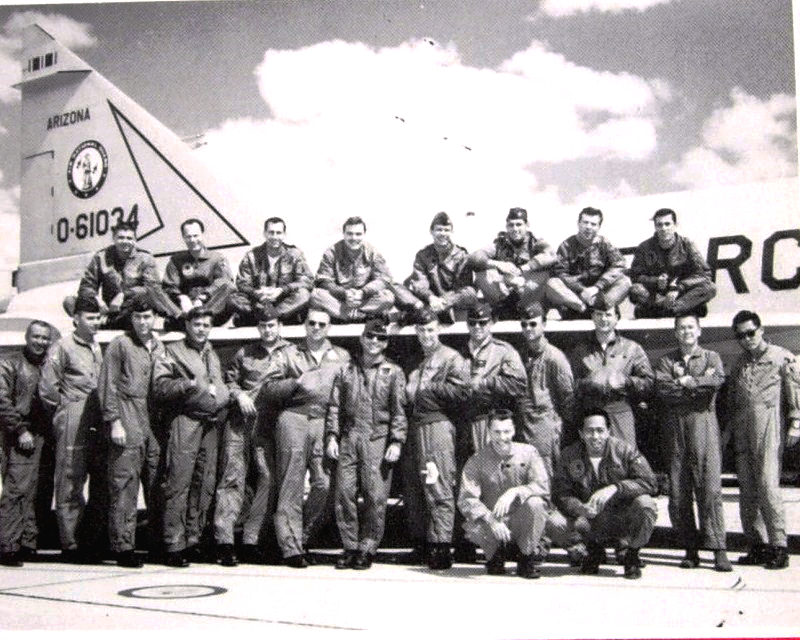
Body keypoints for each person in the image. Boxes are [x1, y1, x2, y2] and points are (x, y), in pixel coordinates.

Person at [262, 307, 350, 568]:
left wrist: (335, 431)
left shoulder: (341, 356)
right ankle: (290, 548)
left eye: (322, 324)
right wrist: (295, 382)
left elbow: (346, 394)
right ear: (305, 325)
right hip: (294, 417)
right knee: (291, 482)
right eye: (312, 323)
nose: (316, 328)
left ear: (329, 327)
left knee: (324, 484)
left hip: (324, 420)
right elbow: (268, 389)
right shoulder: (289, 354)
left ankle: (303, 536)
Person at [214, 302, 294, 567]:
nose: (267, 330)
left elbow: (300, 383)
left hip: (268, 424)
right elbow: (228, 380)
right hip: (240, 422)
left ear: (279, 326)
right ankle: (225, 541)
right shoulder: (245, 352)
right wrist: (239, 395)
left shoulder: (292, 353)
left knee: (266, 479)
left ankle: (251, 539)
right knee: (232, 477)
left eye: (271, 325)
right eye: (263, 326)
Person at [325, 319, 407, 570]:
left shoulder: (393, 372)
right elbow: (335, 407)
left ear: (386, 343)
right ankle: (350, 546)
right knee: (344, 493)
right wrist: (332, 435)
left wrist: (396, 441)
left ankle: (367, 547)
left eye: (380, 338)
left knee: (375, 495)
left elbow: (399, 410)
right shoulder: (346, 370)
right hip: (350, 436)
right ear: (362, 339)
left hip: (377, 437)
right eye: (370, 336)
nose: (374, 342)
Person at [152, 306, 230, 567]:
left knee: (203, 482)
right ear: (187, 325)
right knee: (179, 482)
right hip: (185, 420)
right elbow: (160, 386)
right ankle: (173, 544)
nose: (201, 329)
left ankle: (193, 540)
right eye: (197, 324)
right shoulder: (173, 351)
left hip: (209, 423)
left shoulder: (211, 352)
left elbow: (218, 383)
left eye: (206, 325)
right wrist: (187, 385)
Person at [654, 315, 731, 572]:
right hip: (675, 430)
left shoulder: (711, 357)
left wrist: (691, 382)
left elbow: (715, 383)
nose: (686, 331)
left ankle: (719, 548)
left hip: (703, 427)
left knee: (709, 489)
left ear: (699, 331)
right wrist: (691, 387)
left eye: (690, 327)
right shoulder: (667, 361)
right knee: (679, 492)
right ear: (676, 333)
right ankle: (690, 549)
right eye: (681, 328)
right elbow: (664, 390)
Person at [727, 310, 800, 570]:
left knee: (768, 486)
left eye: (751, 333)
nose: (747, 339)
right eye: (741, 336)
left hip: (768, 427)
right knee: (747, 490)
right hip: (742, 430)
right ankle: (756, 545)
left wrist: (796, 423)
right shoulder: (739, 363)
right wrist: (728, 433)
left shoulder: (781, 357)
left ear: (761, 330)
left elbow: (795, 391)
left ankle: (779, 546)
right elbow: (733, 400)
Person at [550, 410, 658, 579]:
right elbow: (560, 493)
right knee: (554, 521)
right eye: (589, 431)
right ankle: (591, 550)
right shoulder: (569, 455)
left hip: (621, 517)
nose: (595, 436)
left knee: (646, 504)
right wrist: (579, 508)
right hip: (589, 519)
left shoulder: (625, 451)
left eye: (600, 431)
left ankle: (632, 554)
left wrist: (616, 488)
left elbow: (650, 483)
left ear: (608, 431)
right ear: (581, 433)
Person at [97, 300, 165, 568]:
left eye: (147, 316)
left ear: (155, 317)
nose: (142, 322)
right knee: (125, 485)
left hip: (153, 421)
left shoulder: (159, 346)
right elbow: (108, 385)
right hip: (127, 416)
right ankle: (123, 547)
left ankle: (157, 544)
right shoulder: (120, 345)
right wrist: (114, 422)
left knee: (156, 483)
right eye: (138, 317)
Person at [403, 308, 470, 570]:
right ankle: (422, 543)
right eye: (421, 330)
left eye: (430, 329)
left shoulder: (450, 358)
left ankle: (442, 545)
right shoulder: (417, 361)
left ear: (438, 329)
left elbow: (463, 391)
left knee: (438, 483)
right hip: (416, 427)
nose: (426, 335)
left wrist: (430, 390)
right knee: (417, 488)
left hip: (437, 426)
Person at [39, 297, 104, 563]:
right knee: (70, 478)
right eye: (90, 318)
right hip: (73, 417)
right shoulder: (63, 347)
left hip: (95, 418)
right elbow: (48, 389)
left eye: (98, 317)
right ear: (76, 319)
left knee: (94, 478)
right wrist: (63, 413)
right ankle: (71, 543)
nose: (95, 322)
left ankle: (90, 540)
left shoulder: (96, 346)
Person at [457, 411, 550, 579]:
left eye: (506, 431)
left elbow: (542, 486)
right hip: (493, 522)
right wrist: (490, 519)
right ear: (489, 432)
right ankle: (494, 555)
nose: (502, 437)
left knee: (536, 504)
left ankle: (526, 557)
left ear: (514, 430)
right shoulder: (477, 460)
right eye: (497, 432)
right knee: (473, 524)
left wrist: (515, 491)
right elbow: (466, 499)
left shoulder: (529, 453)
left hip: (520, 520)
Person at [0, 320, 53, 567]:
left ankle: (28, 543)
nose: (40, 342)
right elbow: (2, 401)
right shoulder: (10, 363)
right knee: (17, 490)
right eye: (36, 336)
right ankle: (7, 546)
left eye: (45, 338)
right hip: (20, 434)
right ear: (27, 337)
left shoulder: (49, 364)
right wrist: (20, 430)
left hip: (45, 434)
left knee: (38, 490)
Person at [64, 221, 180, 329]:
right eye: (121, 238)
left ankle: (102, 323)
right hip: (108, 308)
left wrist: (123, 294)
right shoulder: (101, 257)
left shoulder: (145, 258)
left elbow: (152, 288)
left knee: (144, 299)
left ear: (135, 240)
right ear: (114, 239)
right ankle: (102, 320)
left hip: (132, 307)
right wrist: (96, 299)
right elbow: (86, 286)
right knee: (70, 301)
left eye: (129, 238)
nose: (125, 241)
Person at [569, 304, 653, 447]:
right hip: (591, 413)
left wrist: (626, 381)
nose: (603, 319)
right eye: (599, 314)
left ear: (617, 318)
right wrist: (589, 382)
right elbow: (569, 384)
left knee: (623, 454)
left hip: (620, 411)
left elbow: (648, 382)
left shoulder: (632, 348)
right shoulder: (580, 350)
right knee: (594, 455)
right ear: (592, 317)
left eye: (608, 315)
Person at [461, 302, 527, 456]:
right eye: (472, 323)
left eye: (482, 323)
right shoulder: (460, 352)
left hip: (491, 421)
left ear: (490, 323)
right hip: (464, 422)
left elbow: (520, 384)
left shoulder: (503, 351)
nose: (477, 327)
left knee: (492, 465)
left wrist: (487, 382)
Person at [467, 207, 558, 319]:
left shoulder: (535, 242)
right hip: (505, 293)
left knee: (545, 274)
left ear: (527, 225)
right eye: (511, 225)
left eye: (519, 224)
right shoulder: (500, 244)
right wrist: (498, 264)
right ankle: (503, 309)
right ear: (506, 227)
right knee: (481, 273)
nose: (515, 229)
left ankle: (528, 310)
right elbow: (473, 257)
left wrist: (524, 269)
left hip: (529, 292)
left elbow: (552, 255)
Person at [517, 302, 575, 477]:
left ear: (543, 324)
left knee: (544, 474)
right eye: (524, 325)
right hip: (524, 424)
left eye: (533, 324)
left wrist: (557, 427)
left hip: (545, 426)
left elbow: (568, 397)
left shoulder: (554, 357)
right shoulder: (520, 355)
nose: (528, 328)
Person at [629, 208, 716, 318]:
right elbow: (635, 276)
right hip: (657, 295)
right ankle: (679, 309)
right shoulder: (644, 247)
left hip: (681, 293)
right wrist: (656, 281)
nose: (663, 228)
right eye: (659, 225)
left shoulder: (687, 245)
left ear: (675, 225)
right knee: (635, 290)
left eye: (667, 224)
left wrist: (679, 287)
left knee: (710, 287)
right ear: (655, 227)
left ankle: (667, 310)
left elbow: (704, 274)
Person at [391, 212, 477, 324]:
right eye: (439, 230)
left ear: (452, 232)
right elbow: (420, 283)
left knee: (470, 292)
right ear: (431, 231)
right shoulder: (423, 255)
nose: (443, 234)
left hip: (450, 301)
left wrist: (443, 301)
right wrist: (431, 297)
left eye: (446, 230)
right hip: (428, 299)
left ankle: (423, 313)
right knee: (394, 286)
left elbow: (462, 286)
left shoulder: (461, 255)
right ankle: (426, 311)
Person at [229, 217, 313, 326]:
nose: (275, 237)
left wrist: (282, 290)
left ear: (284, 235)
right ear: (265, 234)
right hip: (258, 302)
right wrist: (257, 293)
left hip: (283, 302)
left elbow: (307, 281)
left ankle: (268, 317)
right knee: (233, 298)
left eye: (278, 233)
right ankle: (268, 317)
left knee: (304, 295)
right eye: (271, 232)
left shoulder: (295, 254)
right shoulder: (251, 255)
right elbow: (242, 283)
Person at [550, 207, 631, 319]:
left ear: (599, 227)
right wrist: (582, 290)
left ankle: (601, 308)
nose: (588, 227)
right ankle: (582, 309)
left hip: (599, 294)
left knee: (625, 281)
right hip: (577, 296)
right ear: (578, 223)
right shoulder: (566, 245)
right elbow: (561, 273)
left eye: (593, 224)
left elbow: (619, 264)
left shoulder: (604, 244)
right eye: (585, 222)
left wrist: (597, 287)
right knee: (552, 282)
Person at [311, 216, 395, 322]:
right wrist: (343, 293)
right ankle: (362, 316)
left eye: (358, 234)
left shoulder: (373, 252)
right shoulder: (331, 252)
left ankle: (347, 315)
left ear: (364, 234)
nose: (354, 238)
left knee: (388, 297)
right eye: (349, 234)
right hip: (340, 300)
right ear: (344, 234)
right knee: (316, 295)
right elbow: (323, 280)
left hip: (364, 300)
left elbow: (383, 278)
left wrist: (364, 292)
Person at [162, 218, 236, 329]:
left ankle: (201, 318)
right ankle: (187, 318)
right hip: (185, 307)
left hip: (209, 306)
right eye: (188, 237)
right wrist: (182, 297)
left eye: (196, 236)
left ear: (202, 235)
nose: (192, 240)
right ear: (183, 238)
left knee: (229, 286)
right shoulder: (176, 260)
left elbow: (225, 282)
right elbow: (169, 286)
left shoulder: (217, 258)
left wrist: (203, 297)